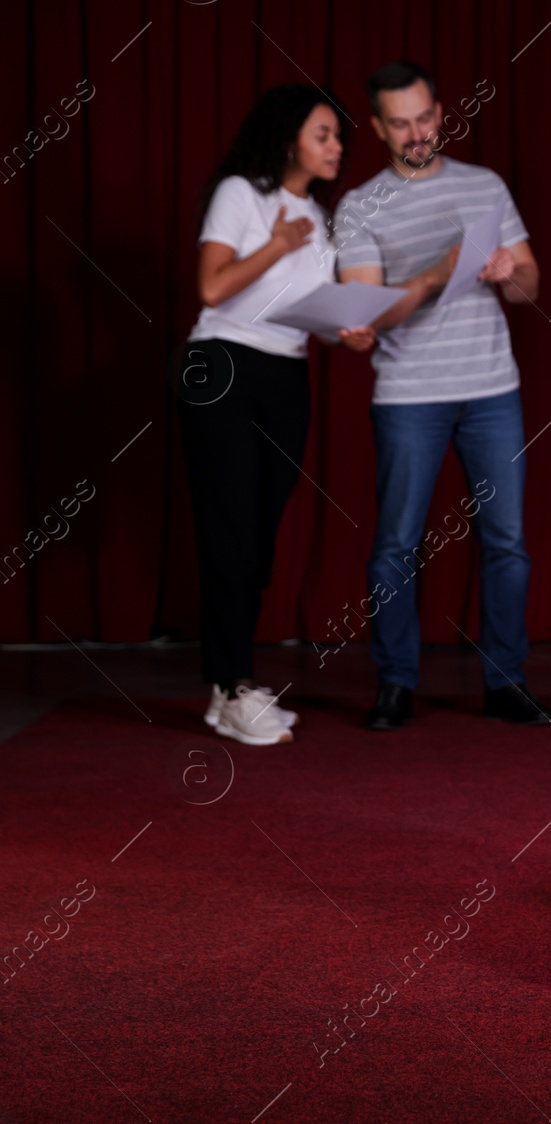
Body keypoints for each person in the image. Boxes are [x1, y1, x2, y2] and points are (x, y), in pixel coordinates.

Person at [335, 61, 551, 731]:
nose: (417, 132)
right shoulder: (358, 206)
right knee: (397, 543)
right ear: (377, 128)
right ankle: (395, 682)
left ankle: (505, 681)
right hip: (409, 394)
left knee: (507, 541)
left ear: (440, 111)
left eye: (425, 117)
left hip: (492, 387)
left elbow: (529, 289)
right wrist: (437, 273)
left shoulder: (484, 185)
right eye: (399, 123)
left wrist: (506, 270)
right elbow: (368, 314)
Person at [177, 84, 375, 747]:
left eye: (339, 137)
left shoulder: (318, 217)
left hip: (286, 371)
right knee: (231, 526)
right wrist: (277, 243)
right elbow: (213, 286)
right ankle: (231, 686)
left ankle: (230, 683)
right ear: (289, 136)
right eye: (324, 134)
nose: (336, 147)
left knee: (258, 534)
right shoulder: (243, 192)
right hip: (223, 366)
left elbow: (301, 307)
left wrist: (343, 330)